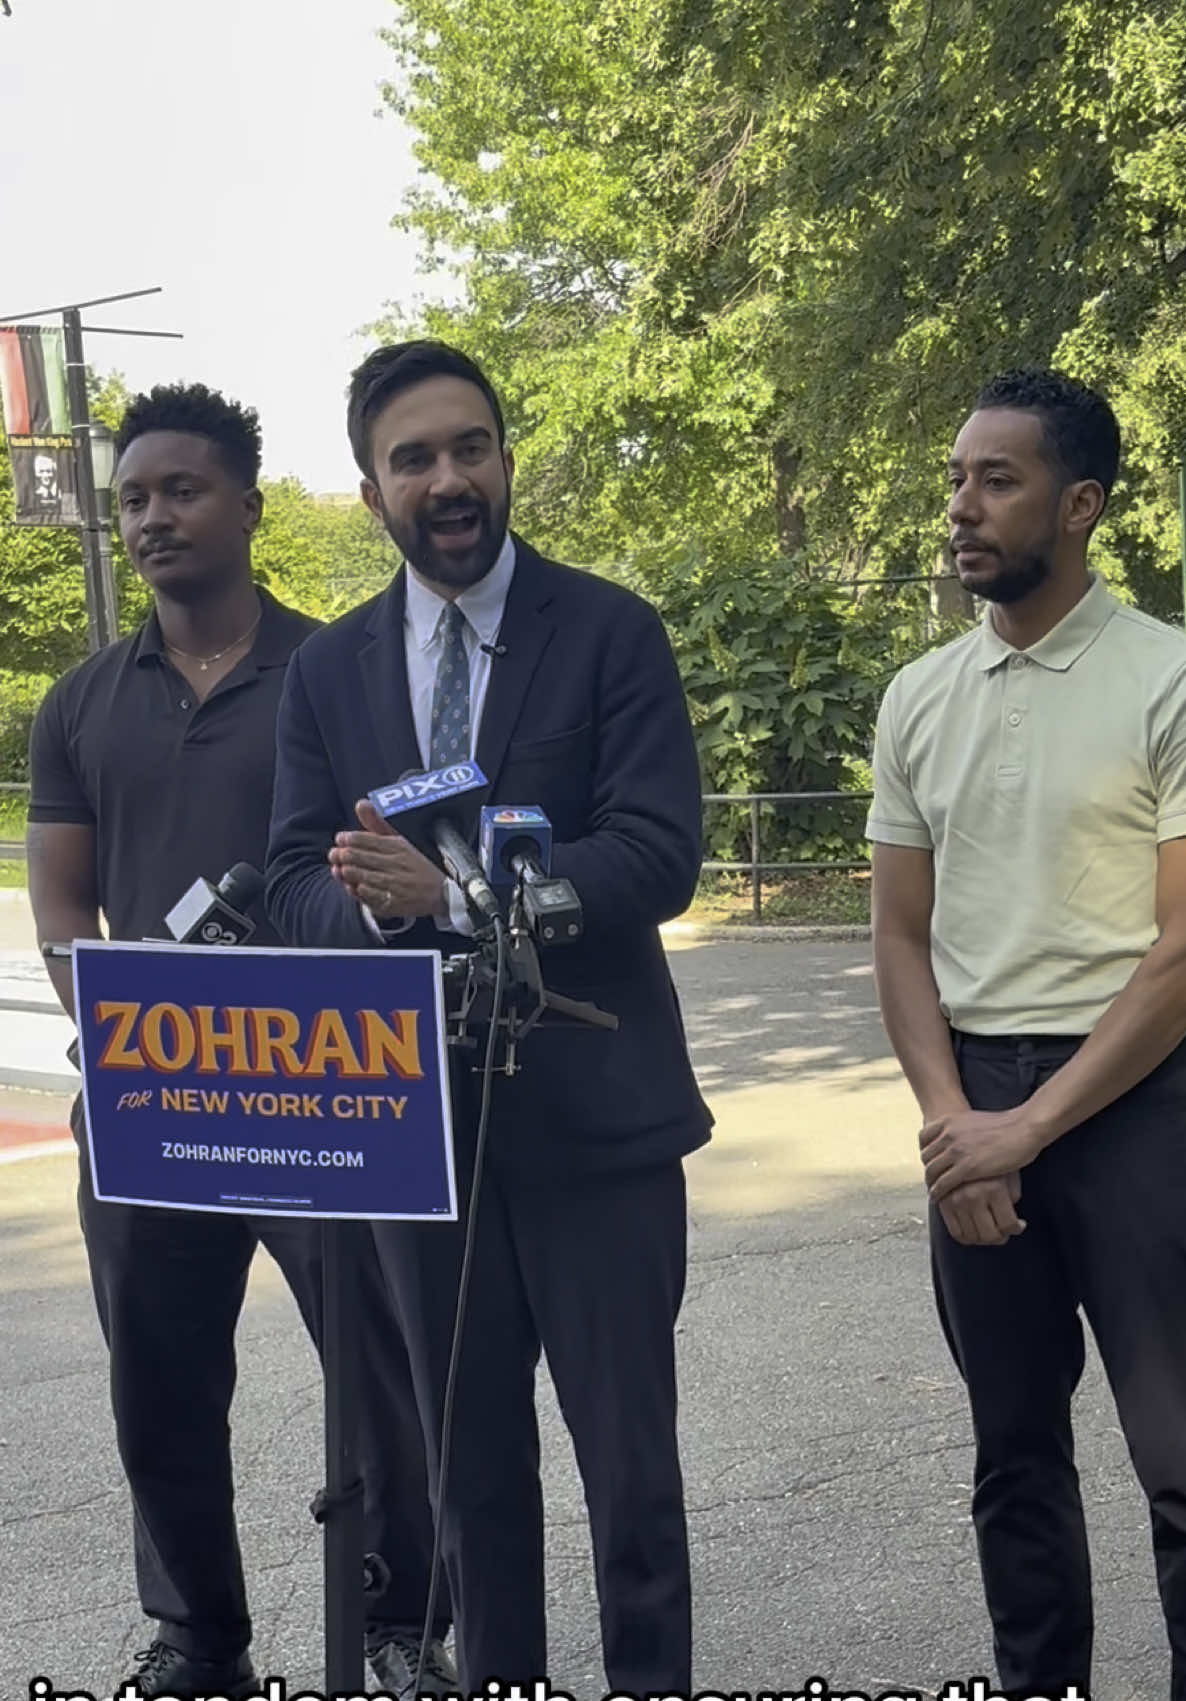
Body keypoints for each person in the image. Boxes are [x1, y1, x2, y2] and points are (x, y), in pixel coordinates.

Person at [265, 339, 712, 1691]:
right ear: (370, 491)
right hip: (419, 1141)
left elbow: (654, 849)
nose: (448, 478)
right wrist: (383, 911)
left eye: (471, 447)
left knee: (630, 1479)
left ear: (506, 458)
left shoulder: (608, 627)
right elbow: (292, 877)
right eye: (415, 458)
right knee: (473, 1479)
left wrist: (456, 888)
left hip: (597, 1124)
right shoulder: (329, 671)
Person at [25, 383, 452, 1701]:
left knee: (379, 1371)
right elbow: (60, 893)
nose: (153, 516)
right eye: (135, 496)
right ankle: (198, 1634)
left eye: (182, 489)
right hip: (153, 1096)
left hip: (328, 1090)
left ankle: (397, 1620)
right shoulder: (81, 701)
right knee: (156, 1384)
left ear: (249, 506)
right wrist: (100, 1013)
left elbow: (403, 862)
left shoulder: (341, 677)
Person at [868, 366, 1186, 1699]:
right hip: (972, 1101)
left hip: (1137, 1101)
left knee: (1176, 1459)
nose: (960, 505)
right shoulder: (918, 695)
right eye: (955, 477)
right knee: (1011, 1455)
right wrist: (959, 1126)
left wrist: (1028, 1127)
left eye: (994, 480)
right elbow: (895, 937)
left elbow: (1180, 948)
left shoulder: (1164, 677)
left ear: (1079, 504)